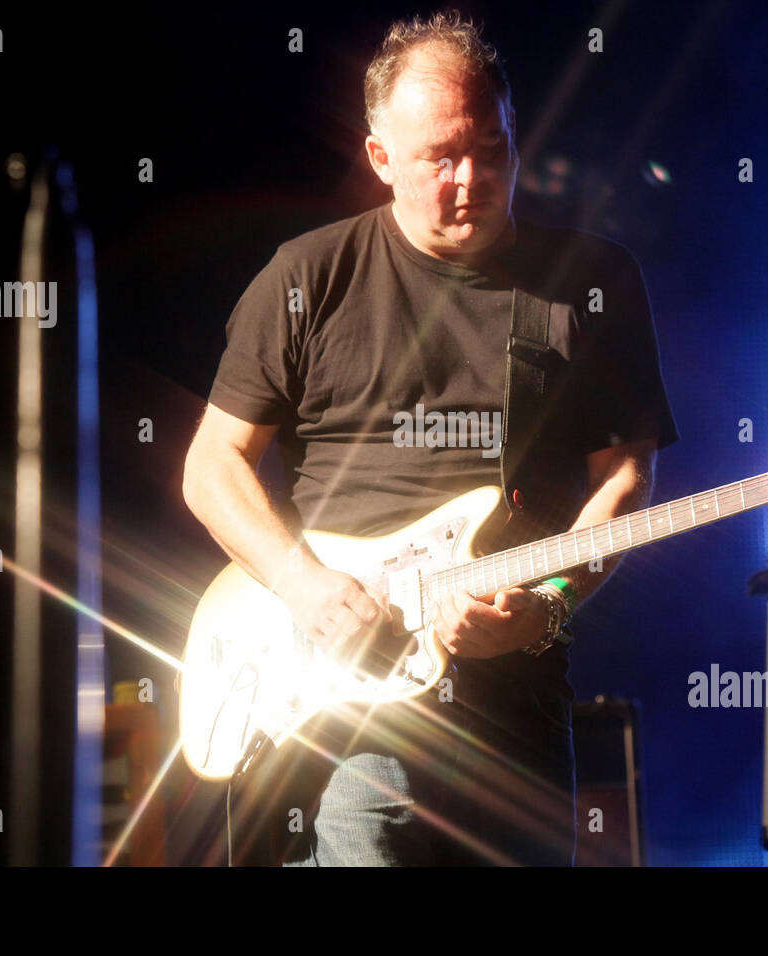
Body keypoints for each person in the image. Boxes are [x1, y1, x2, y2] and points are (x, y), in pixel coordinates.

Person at [182, 10, 678, 866]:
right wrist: (306, 586)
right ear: (381, 159)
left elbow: (626, 475)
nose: (473, 178)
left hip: (514, 704)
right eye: (441, 156)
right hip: (347, 703)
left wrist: (550, 599)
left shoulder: (592, 282)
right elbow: (210, 465)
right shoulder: (306, 276)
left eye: (492, 147)